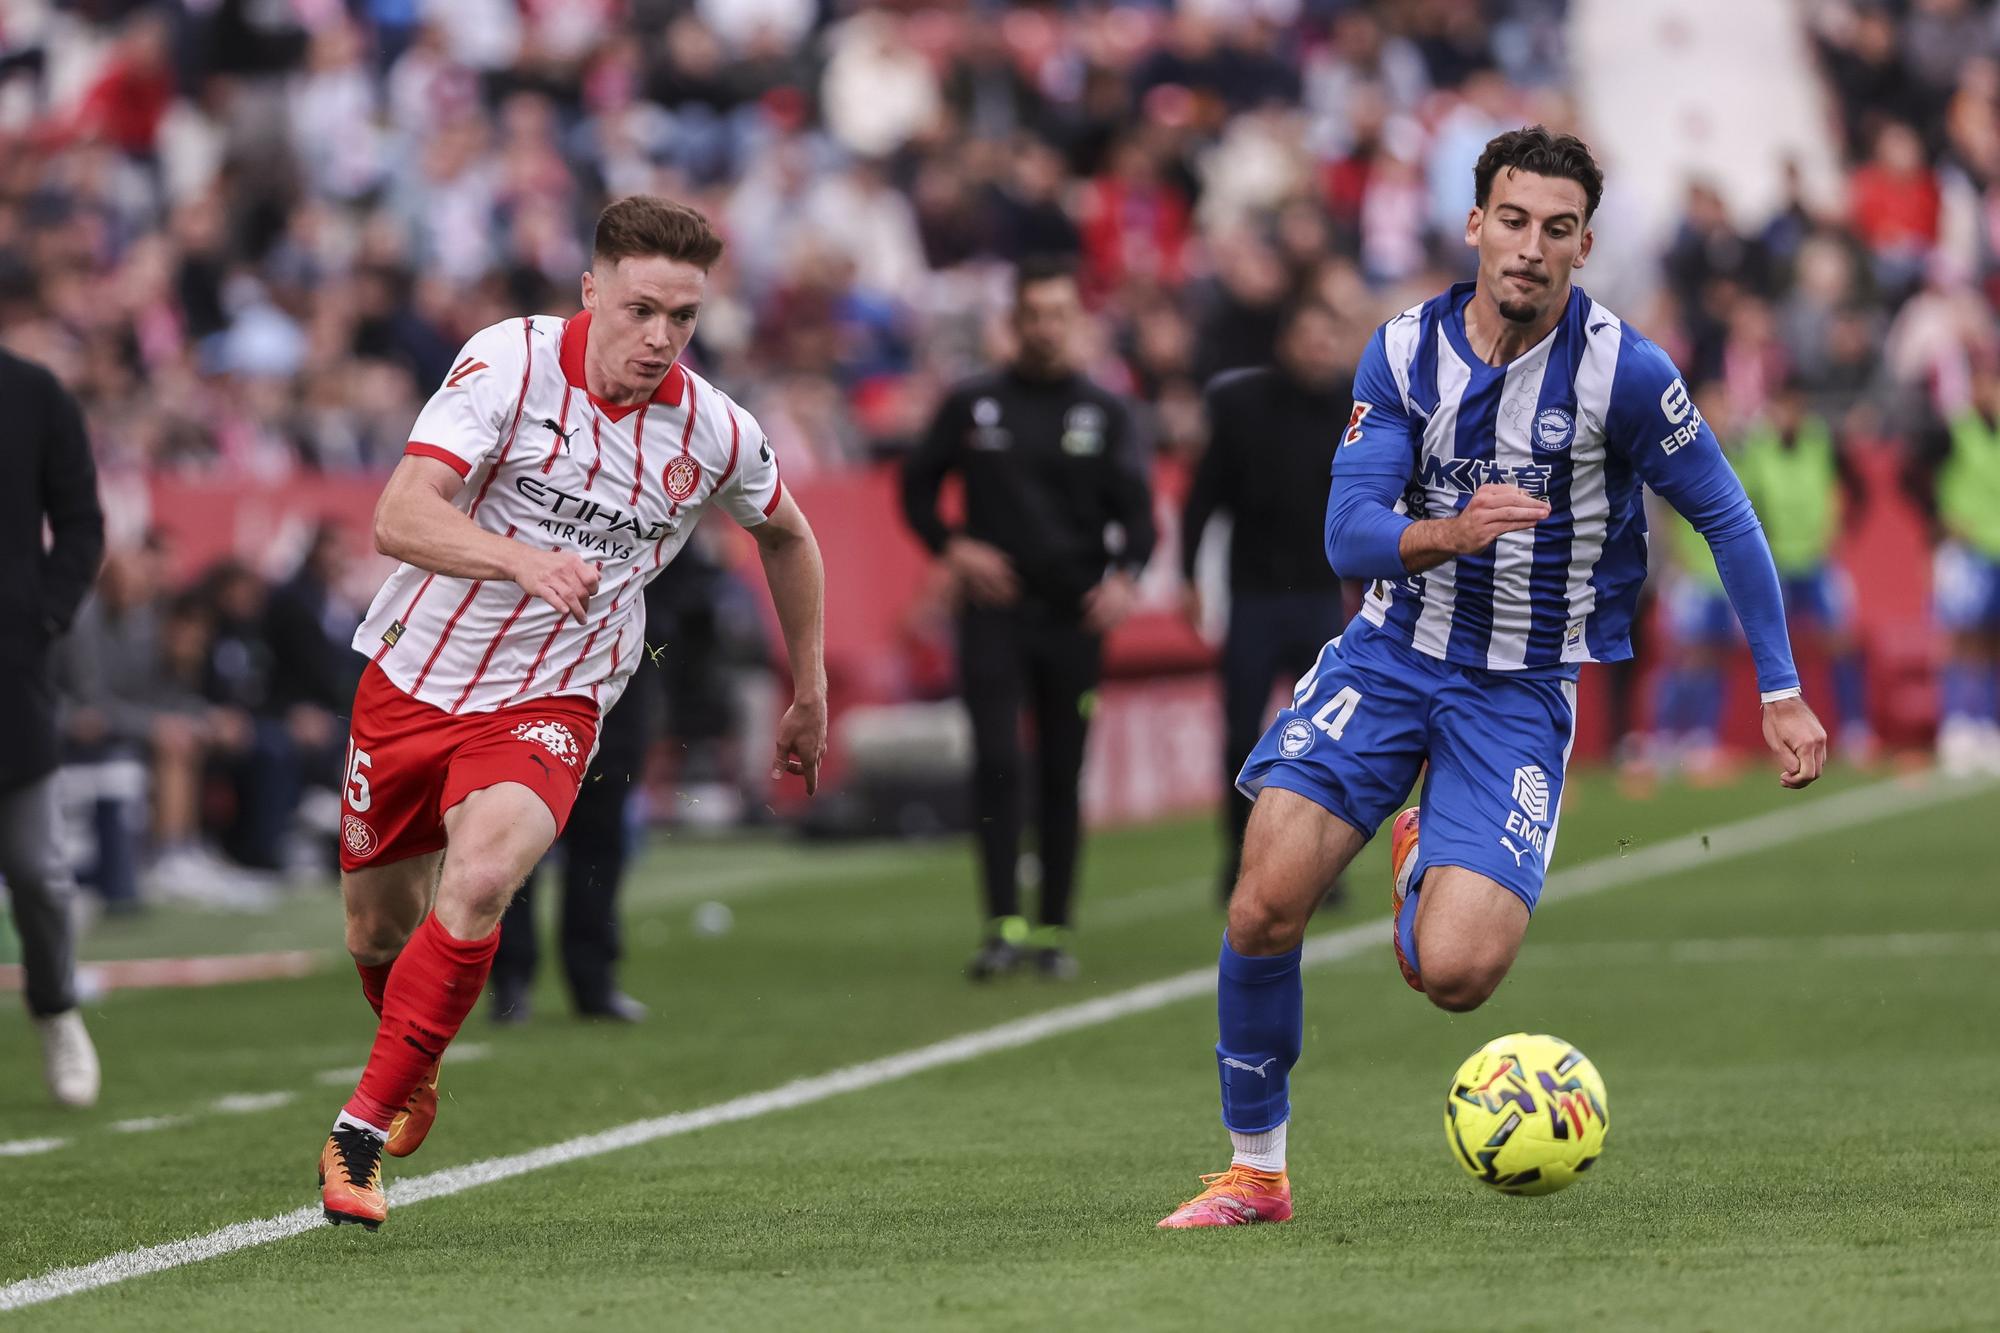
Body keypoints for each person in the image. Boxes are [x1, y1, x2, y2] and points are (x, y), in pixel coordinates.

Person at [1157, 128, 1827, 1229]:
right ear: (1474, 225)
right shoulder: (1402, 350)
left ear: (1582, 245)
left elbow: (1722, 511)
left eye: (1554, 230)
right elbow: (1348, 534)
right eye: (1510, 221)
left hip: (1516, 689)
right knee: (1263, 903)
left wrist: (1776, 686)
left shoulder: (1624, 371)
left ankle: (1422, 854)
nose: (1528, 247)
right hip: (1387, 653)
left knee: (1458, 975)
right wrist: (1448, 531)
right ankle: (1253, 1171)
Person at [316, 196, 827, 1231]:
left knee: (487, 873)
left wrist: (807, 686)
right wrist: (519, 558)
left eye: (683, 316)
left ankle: (358, 1131)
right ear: (590, 290)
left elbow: (789, 536)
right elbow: (397, 514)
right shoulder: (507, 363)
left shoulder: (715, 428)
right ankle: (410, 1059)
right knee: (377, 930)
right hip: (415, 676)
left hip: (557, 692)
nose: (660, 338)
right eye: (641, 309)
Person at [901, 257, 1156, 981]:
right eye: (1033, 315)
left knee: (1061, 768)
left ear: (1076, 322)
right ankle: (1000, 922)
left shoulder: (1103, 411)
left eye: (1057, 314)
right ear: (1013, 323)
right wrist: (954, 549)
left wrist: (1124, 581)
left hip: (1073, 616)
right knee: (996, 761)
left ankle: (1053, 926)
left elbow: (1138, 517)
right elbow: (917, 488)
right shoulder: (973, 403)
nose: (1045, 328)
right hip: (995, 613)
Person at [1180, 296, 1356, 906]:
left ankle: (1320, 867)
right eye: (1309, 335)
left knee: (1324, 740)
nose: (1319, 349)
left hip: (1317, 597)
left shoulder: (1350, 411)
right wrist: (1188, 576)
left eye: (1327, 338)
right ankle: (1240, 857)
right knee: (1240, 736)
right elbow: (1202, 499)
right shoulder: (1241, 407)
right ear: (1286, 341)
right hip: (1254, 596)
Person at [0, 347, 106, 1108]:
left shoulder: (35, 393)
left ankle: (56, 1007)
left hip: (11, 671)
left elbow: (79, 524)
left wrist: (40, 616)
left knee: (38, 870)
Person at [490, 671, 651, 1024]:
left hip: (612, 703)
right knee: (517, 844)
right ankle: (510, 979)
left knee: (599, 847)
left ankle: (593, 980)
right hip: (534, 695)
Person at [1732, 376, 1873, 760]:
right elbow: (1740, 497)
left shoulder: (1822, 441)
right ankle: (1778, 734)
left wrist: (1842, 526)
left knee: (1840, 642)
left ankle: (1856, 727)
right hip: (1775, 562)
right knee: (1773, 648)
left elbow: (1859, 488)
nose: (1788, 415)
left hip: (1816, 559)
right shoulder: (1758, 447)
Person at [1909, 364, 2000, 776]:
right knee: (1959, 636)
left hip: (1996, 550)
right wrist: (1939, 520)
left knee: (1990, 640)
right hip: (1966, 553)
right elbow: (1910, 473)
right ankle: (1957, 724)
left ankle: (1986, 724)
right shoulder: (1953, 431)